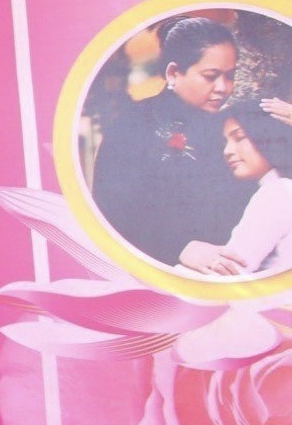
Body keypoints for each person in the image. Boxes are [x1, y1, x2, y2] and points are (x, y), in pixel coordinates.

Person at [90, 17, 255, 267]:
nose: (224, 88)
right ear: (173, 73)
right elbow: (110, 214)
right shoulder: (132, 126)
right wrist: (179, 248)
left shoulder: (231, 126)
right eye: (211, 76)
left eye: (230, 76)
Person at [179, 102, 292, 277]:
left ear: (269, 137)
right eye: (226, 141)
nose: (227, 151)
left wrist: (184, 253)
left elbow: (228, 274)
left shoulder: (276, 193)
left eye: (238, 138)